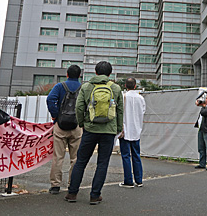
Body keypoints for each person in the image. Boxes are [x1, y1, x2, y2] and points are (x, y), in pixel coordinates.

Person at [65, 61, 123, 205]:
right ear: (110, 74)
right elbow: (120, 110)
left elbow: (79, 107)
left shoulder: (87, 86)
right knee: (102, 163)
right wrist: (118, 128)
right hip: (108, 131)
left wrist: (82, 124)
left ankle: (72, 193)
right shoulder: (115, 88)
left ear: (95, 72)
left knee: (81, 161)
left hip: (90, 129)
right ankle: (95, 195)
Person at [46, 64, 83, 194]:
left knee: (58, 157)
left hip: (60, 126)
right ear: (79, 75)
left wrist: (56, 116)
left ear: (67, 74)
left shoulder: (60, 86)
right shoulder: (83, 88)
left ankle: (55, 185)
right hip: (77, 126)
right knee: (76, 158)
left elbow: (50, 99)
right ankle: (72, 184)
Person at [118, 78, 146, 188]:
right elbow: (143, 111)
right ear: (135, 86)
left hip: (125, 130)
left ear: (125, 85)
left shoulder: (123, 97)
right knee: (136, 155)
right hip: (136, 130)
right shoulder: (141, 98)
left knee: (126, 155)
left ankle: (128, 181)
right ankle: (139, 180)